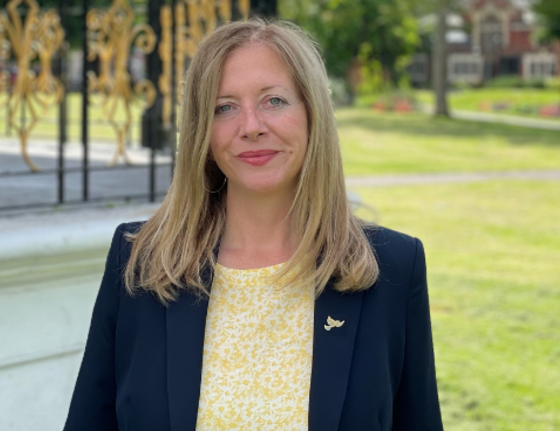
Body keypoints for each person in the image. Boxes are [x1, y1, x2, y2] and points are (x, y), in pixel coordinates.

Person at [64, 18, 443, 431]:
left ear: (313, 112)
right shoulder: (141, 261)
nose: (251, 127)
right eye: (224, 108)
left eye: (274, 101)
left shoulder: (392, 269)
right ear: (202, 133)